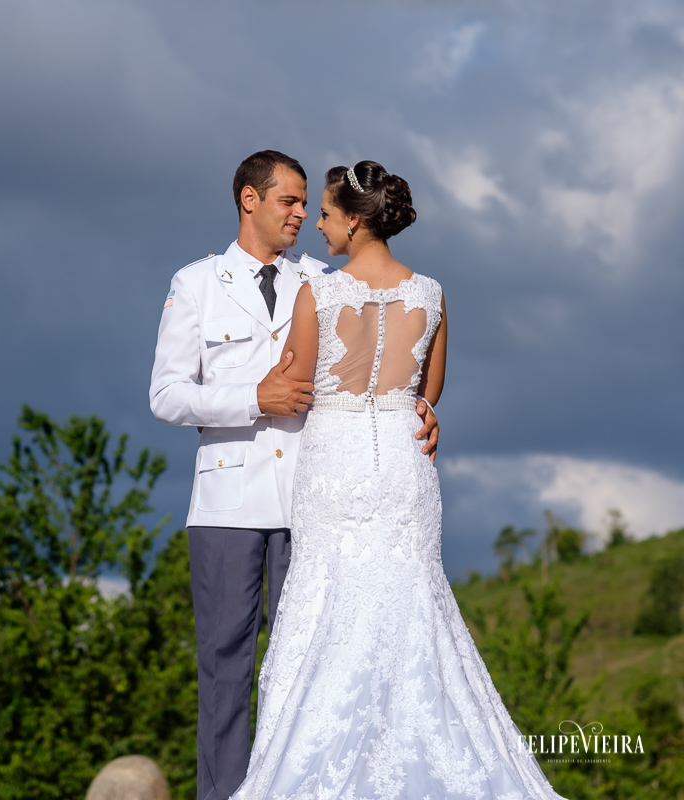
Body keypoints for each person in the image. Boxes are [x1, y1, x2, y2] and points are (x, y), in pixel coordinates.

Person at [230, 161, 566, 800]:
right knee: (413, 601)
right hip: (406, 465)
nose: (318, 225)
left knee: (323, 600)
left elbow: (292, 381)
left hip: (335, 461)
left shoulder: (318, 294)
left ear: (354, 221)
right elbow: (427, 393)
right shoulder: (432, 294)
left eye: (325, 214)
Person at [149, 151, 440, 800]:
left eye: (309, 203)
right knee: (226, 671)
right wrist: (255, 398)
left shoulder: (324, 279)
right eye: (289, 202)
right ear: (249, 200)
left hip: (311, 506)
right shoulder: (194, 283)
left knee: (306, 668)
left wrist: (415, 410)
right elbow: (166, 396)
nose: (303, 215)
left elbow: (384, 357)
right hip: (227, 504)